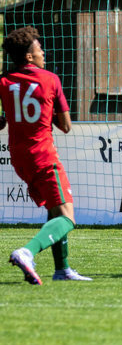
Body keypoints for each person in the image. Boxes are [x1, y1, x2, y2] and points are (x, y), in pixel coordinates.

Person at [2, 26, 91, 283]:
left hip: (20, 158)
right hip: (43, 154)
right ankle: (27, 252)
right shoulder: (50, 79)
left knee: (54, 210)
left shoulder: (3, 80)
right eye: (39, 49)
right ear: (29, 57)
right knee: (67, 216)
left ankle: (62, 269)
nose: (44, 53)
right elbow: (65, 126)